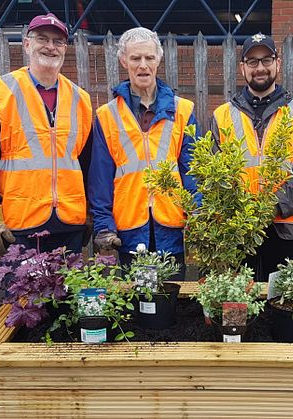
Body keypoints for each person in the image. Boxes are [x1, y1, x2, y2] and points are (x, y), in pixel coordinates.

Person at [0, 13, 93, 255]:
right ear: (27, 44)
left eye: (58, 42)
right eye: (42, 39)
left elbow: (87, 162)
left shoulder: (81, 100)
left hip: (69, 223)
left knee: (68, 292)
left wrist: (91, 211)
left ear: (65, 49)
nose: (50, 47)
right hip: (20, 224)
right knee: (23, 293)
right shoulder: (0, 93)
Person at [88, 27, 199, 280]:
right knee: (137, 306)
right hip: (129, 227)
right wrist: (104, 224)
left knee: (170, 301)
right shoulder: (107, 115)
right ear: (123, 61)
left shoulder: (182, 110)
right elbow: (100, 177)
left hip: (170, 223)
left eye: (149, 58)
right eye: (136, 58)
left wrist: (198, 212)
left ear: (159, 60)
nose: (143, 65)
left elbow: (192, 169)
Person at [210, 33, 293, 282]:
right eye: (252, 61)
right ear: (243, 67)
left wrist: (267, 209)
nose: (260, 68)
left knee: (279, 300)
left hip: (284, 225)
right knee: (240, 298)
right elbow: (216, 173)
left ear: (278, 63)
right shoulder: (222, 115)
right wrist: (243, 212)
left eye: (266, 60)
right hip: (237, 229)